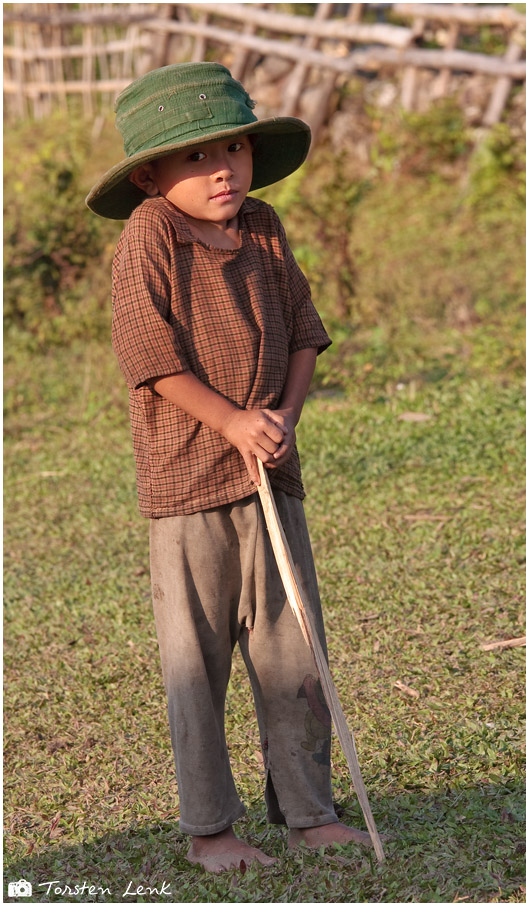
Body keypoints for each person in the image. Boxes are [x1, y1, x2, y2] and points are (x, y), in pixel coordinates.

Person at [86, 62, 374, 873]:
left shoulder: (265, 227)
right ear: (151, 175)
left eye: (236, 148)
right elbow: (149, 356)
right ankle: (211, 827)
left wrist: (280, 418)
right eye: (197, 157)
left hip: (268, 476)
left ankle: (311, 813)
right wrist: (231, 421)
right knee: (196, 660)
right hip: (189, 484)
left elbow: (305, 333)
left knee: (292, 650)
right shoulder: (149, 235)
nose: (224, 170)